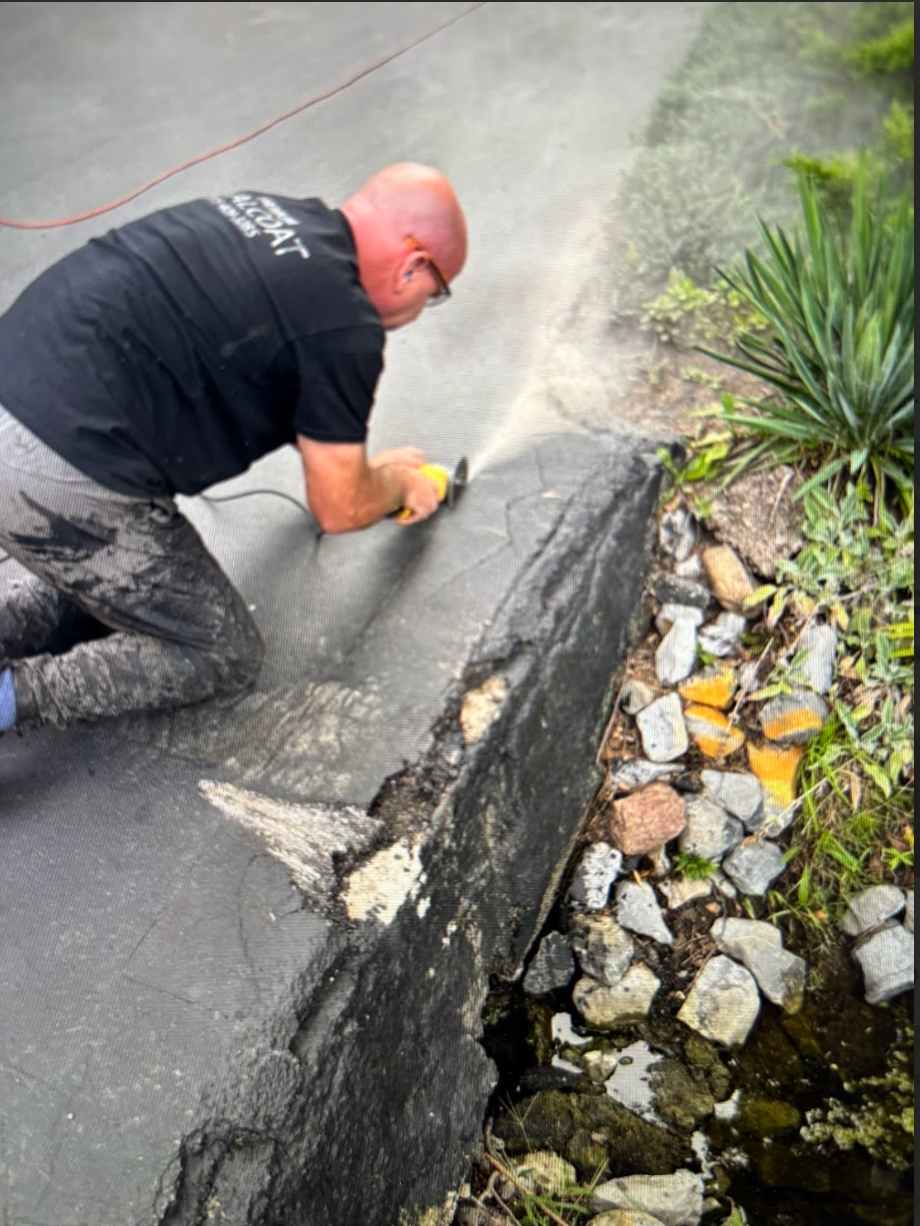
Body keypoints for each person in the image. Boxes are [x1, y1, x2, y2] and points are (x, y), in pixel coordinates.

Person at [0, 162, 467, 733]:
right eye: (434, 294)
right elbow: (339, 507)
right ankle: (7, 699)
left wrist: (367, 472)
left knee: (118, 593)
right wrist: (397, 487)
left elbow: (315, 424)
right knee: (216, 649)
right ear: (414, 265)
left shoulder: (262, 216)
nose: (420, 312)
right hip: (56, 470)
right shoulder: (344, 323)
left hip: (18, 406)